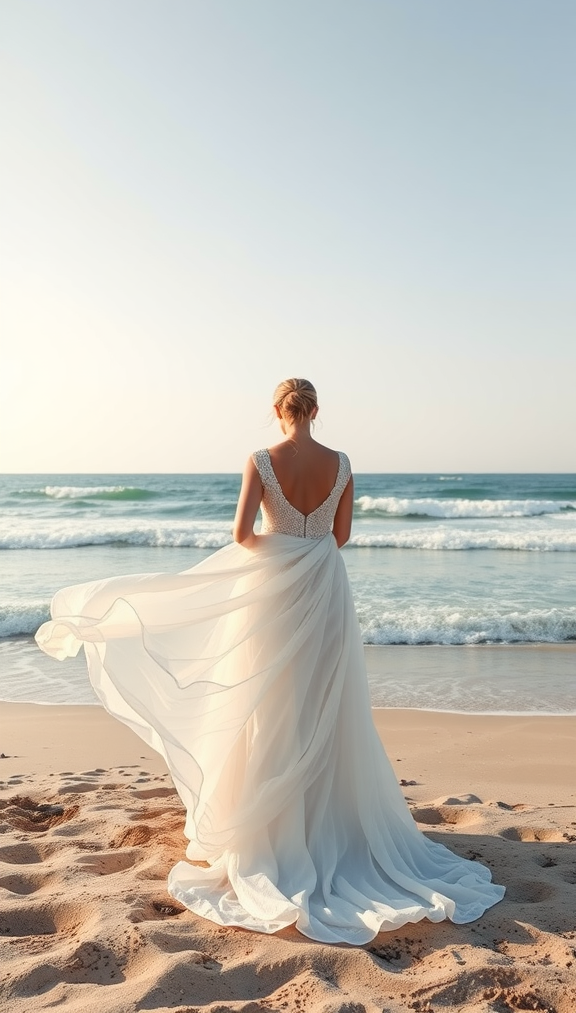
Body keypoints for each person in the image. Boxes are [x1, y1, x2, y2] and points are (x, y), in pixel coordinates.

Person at [35, 378, 504, 944]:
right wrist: (308, 552)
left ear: (277, 412)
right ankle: (332, 821)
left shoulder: (261, 458)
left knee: (269, 700)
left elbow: (241, 535)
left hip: (278, 593)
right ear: (316, 411)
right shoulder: (343, 461)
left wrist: (280, 555)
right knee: (323, 701)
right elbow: (342, 534)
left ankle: (271, 825)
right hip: (327, 589)